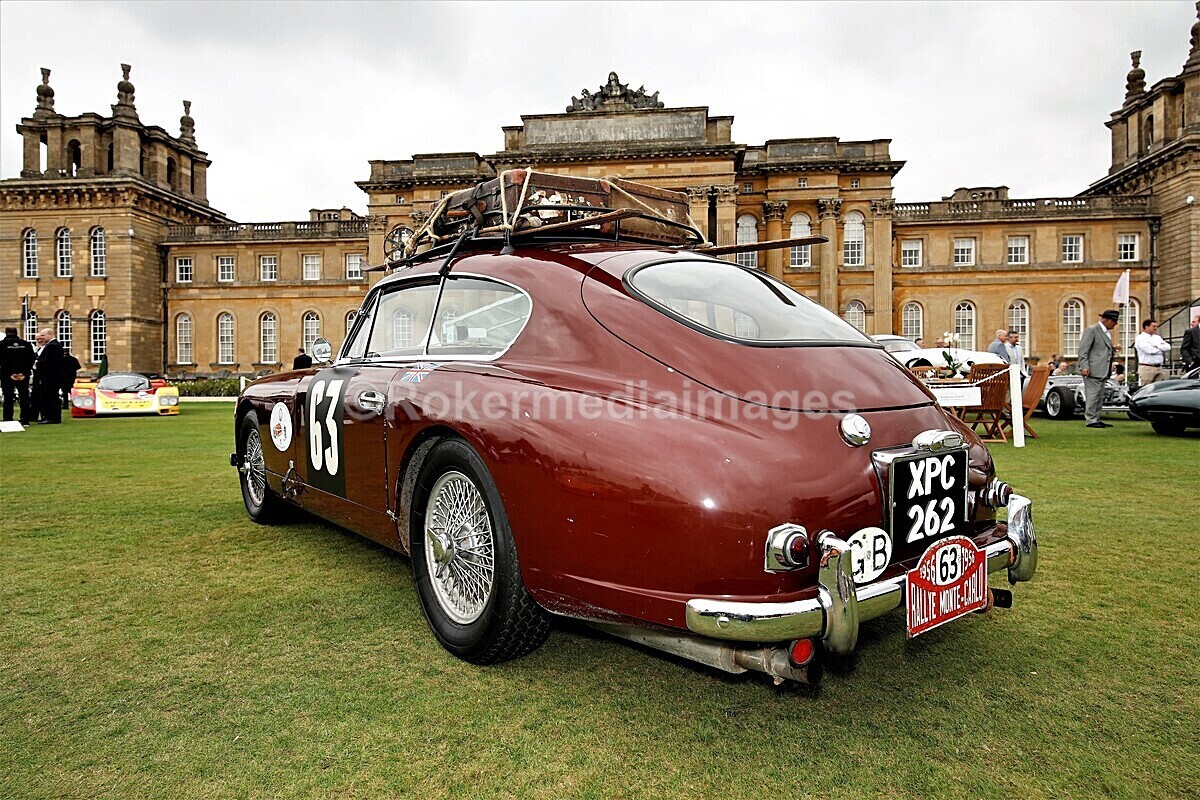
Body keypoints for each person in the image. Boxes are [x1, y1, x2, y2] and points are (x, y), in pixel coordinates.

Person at [1077, 309, 1120, 429]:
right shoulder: (1092, 330)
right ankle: (1090, 419)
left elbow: (1101, 349)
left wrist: (1113, 349)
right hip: (1093, 369)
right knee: (1093, 395)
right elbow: (1083, 350)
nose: (1115, 324)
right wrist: (1084, 366)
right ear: (1106, 320)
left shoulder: (1106, 332)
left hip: (1103, 369)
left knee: (1100, 396)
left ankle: (1096, 418)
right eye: (1114, 321)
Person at [1, 326, 36, 424]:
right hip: (23, 375)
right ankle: (25, 419)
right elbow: (31, 359)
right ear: (16, 333)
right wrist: (23, 373)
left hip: (7, 376)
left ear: (6, 332)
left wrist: (10, 374)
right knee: (24, 397)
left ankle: (8, 419)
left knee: (8, 397)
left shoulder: (1, 345)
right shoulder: (26, 344)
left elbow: (2, 362)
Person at [31, 328, 64, 424]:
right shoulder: (53, 345)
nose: (41, 338)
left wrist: (37, 363)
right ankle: (49, 416)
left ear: (50, 334)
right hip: (52, 376)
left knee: (51, 397)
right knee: (50, 396)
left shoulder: (52, 346)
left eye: (43, 335)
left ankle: (52, 417)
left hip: (50, 377)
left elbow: (48, 362)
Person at [1133, 318, 1171, 387]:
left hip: (1159, 367)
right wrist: (1161, 349)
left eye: (1156, 326)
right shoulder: (1140, 338)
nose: (1156, 328)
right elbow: (1149, 350)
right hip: (1147, 368)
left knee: (1159, 389)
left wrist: (1156, 346)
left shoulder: (1157, 337)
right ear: (1146, 327)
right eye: (1153, 326)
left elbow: (1168, 347)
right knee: (1146, 389)